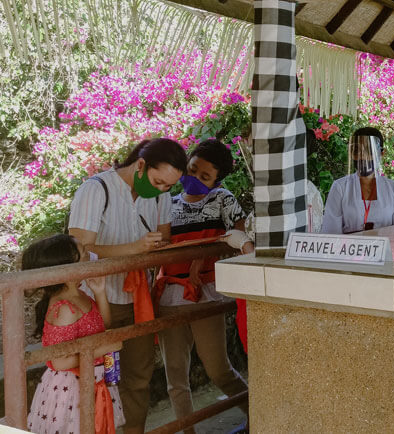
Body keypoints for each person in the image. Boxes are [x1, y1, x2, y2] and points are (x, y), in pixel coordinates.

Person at [68, 137, 186, 434]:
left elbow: (164, 239)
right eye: (158, 181)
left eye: (169, 186)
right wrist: (133, 249)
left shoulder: (160, 197)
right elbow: (79, 250)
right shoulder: (96, 189)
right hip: (97, 299)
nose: (161, 190)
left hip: (139, 300)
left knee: (138, 378)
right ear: (141, 165)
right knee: (93, 379)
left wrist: (161, 248)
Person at [152, 139, 250, 434]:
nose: (194, 179)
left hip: (206, 291)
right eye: (191, 170)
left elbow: (239, 236)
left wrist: (202, 256)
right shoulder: (167, 202)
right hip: (170, 293)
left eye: (204, 176)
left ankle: (260, 414)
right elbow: (161, 243)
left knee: (219, 370)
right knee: (176, 380)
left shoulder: (223, 199)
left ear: (217, 181)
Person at [24, 234, 125, 434]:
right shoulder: (63, 309)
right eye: (84, 253)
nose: (91, 255)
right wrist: (106, 346)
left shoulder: (80, 295)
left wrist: (100, 293)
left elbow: (103, 326)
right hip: (71, 390)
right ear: (68, 267)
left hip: (92, 379)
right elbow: (59, 362)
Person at [321, 127, 394, 234]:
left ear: (381, 154)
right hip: (349, 250)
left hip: (386, 249)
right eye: (358, 151)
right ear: (352, 154)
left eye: (370, 151)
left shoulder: (392, 189)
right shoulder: (340, 187)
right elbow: (330, 233)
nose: (363, 156)